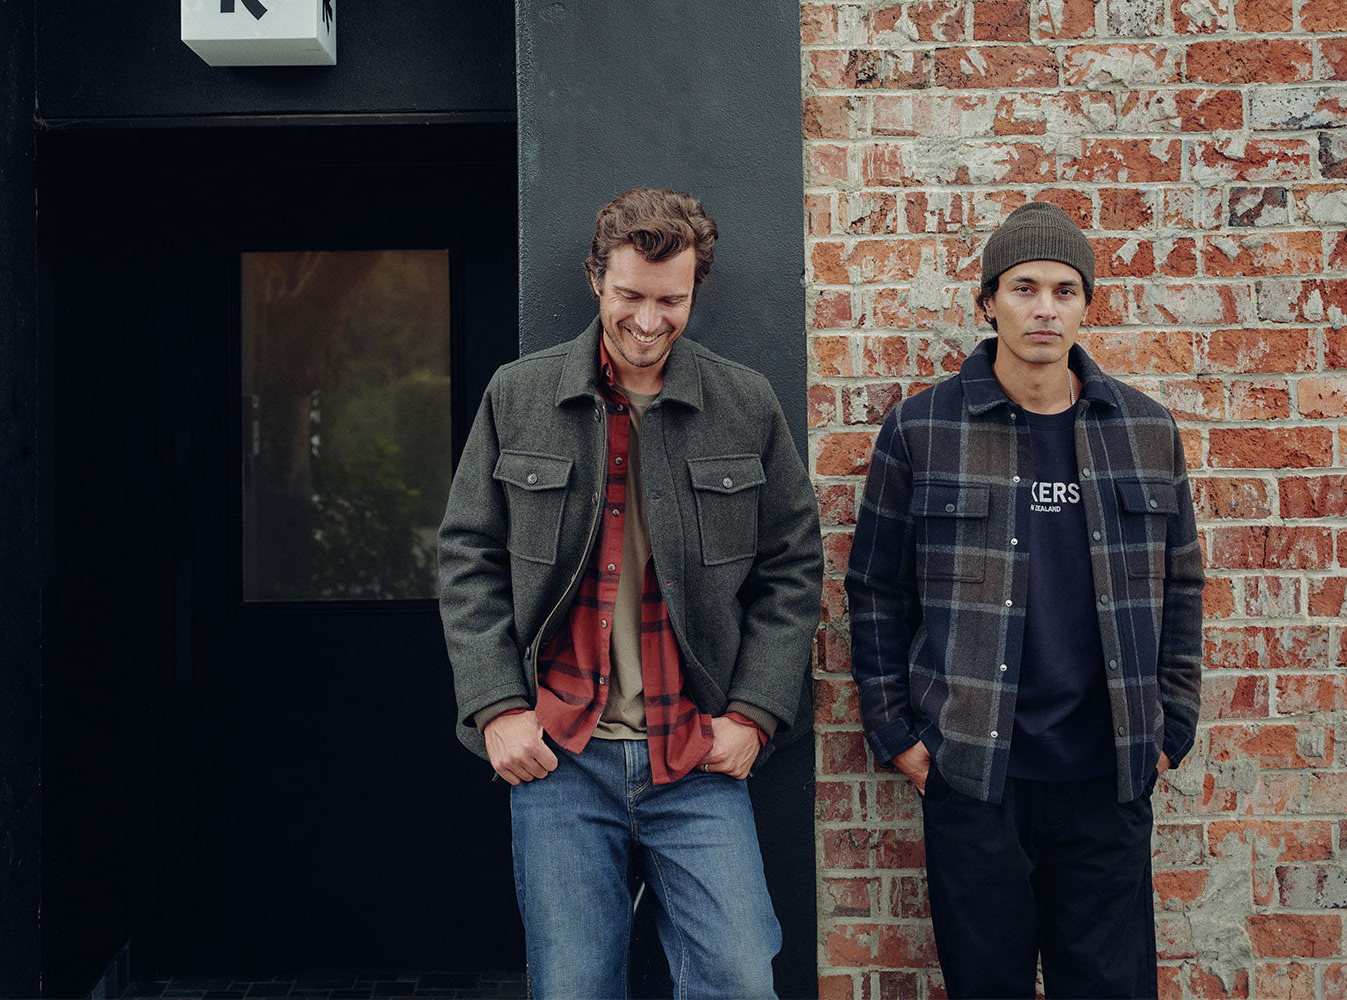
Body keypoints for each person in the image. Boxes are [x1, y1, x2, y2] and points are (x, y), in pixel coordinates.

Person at [438, 187, 822, 999]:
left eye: (671, 300)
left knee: (741, 978)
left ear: (694, 292)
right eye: (631, 297)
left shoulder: (744, 402)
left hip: (693, 753)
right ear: (595, 282)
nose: (650, 321)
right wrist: (497, 707)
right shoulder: (519, 395)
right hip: (561, 756)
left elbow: (793, 564)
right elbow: (467, 554)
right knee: (575, 987)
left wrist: (753, 714)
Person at [845, 201, 1204, 999]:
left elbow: (1183, 586)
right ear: (987, 302)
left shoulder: (1145, 430)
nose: (1045, 307)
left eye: (1065, 290)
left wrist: (1171, 727)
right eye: (1024, 287)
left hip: (1107, 777)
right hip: (975, 776)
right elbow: (874, 591)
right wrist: (899, 734)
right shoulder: (921, 428)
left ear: (1087, 304)